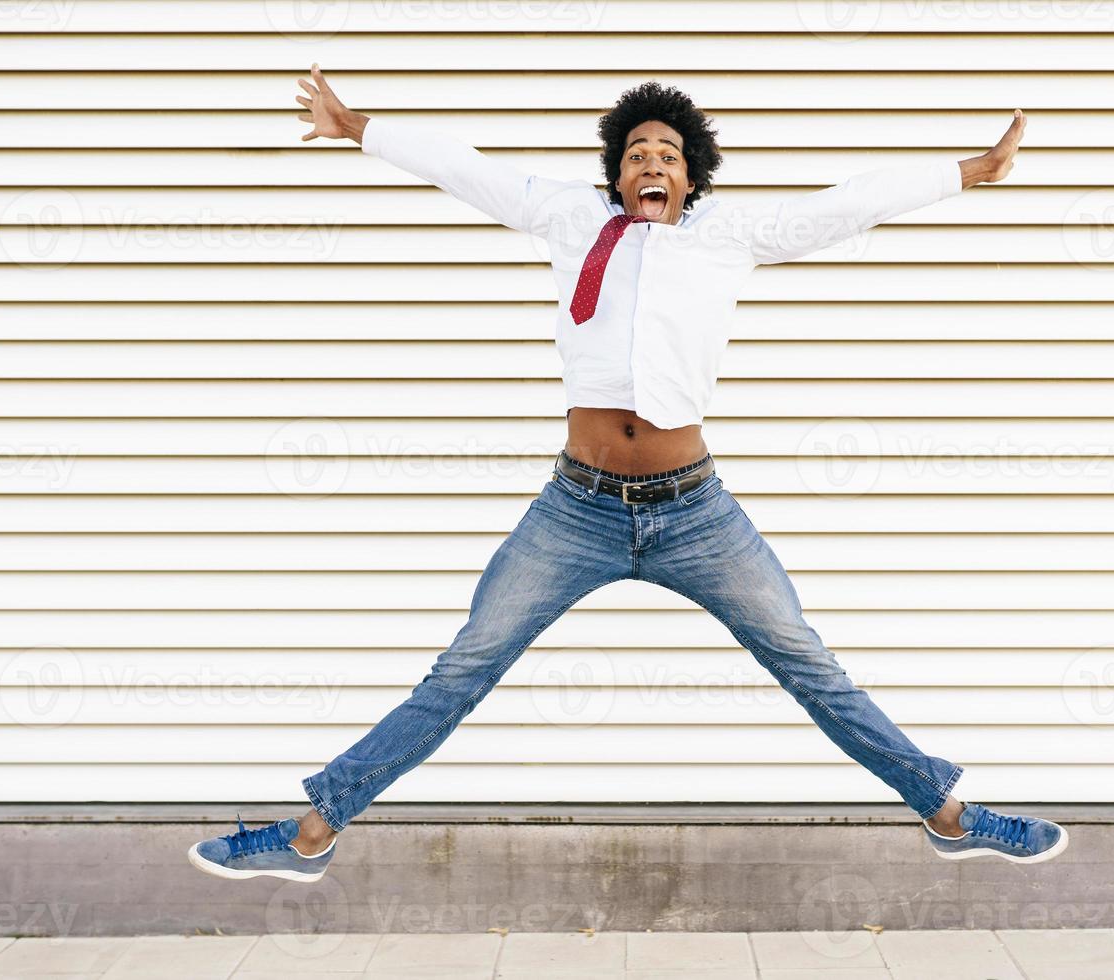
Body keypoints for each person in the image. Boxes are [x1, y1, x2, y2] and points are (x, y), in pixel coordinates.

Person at [188, 67, 1065, 883]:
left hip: (695, 513)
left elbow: (845, 205)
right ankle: (312, 831)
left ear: (692, 177)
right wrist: (355, 127)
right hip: (577, 509)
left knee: (810, 664)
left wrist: (973, 169)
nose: (652, 162)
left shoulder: (729, 236)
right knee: (464, 667)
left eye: (669, 154)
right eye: (637, 152)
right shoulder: (569, 217)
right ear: (617, 173)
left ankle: (949, 812)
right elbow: (465, 168)